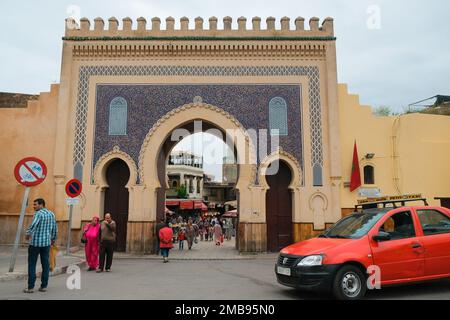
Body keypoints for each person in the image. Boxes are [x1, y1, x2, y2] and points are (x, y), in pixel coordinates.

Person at [23, 198, 57, 293]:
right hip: (46, 243)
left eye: (35, 204)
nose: (34, 206)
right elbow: (55, 228)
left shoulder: (38, 214)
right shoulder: (51, 214)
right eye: (34, 204)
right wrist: (53, 239)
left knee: (32, 264)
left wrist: (27, 234)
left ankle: (30, 287)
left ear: (41, 205)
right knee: (45, 264)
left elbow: (33, 225)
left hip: (35, 244)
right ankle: (44, 286)